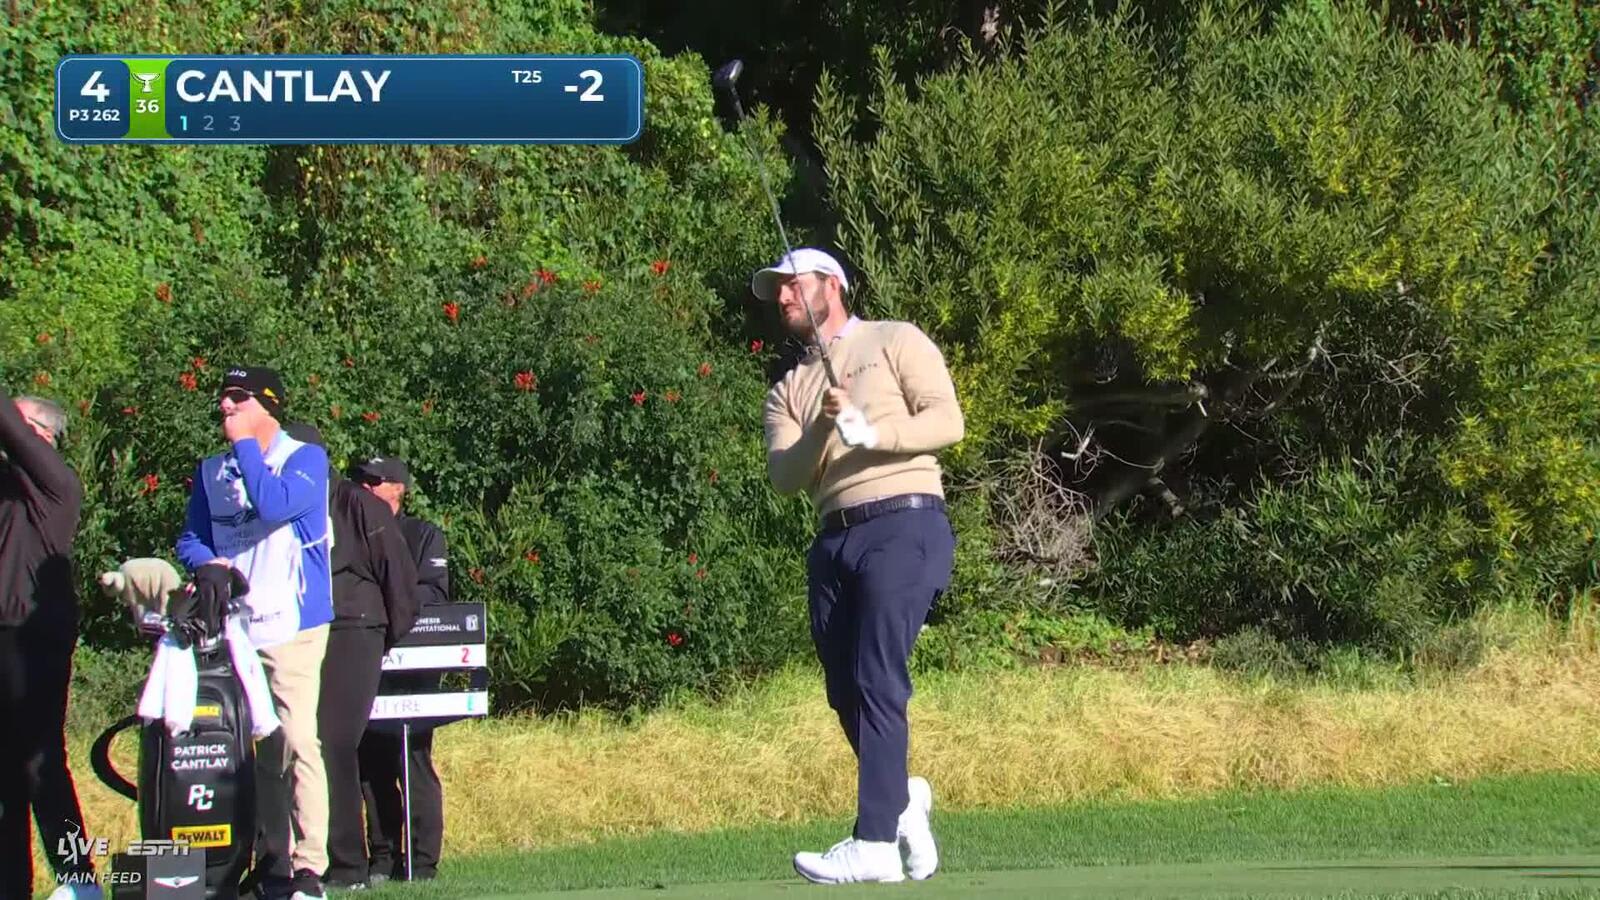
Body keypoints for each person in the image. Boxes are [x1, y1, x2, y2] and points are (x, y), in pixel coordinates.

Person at [753, 248, 963, 884]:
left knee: (877, 673)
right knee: (845, 688)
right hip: (834, 539)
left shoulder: (894, 339)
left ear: (833, 286)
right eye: (779, 291)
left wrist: (873, 432)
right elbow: (786, 477)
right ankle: (901, 802)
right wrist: (823, 429)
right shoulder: (787, 391)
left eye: (794, 285)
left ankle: (874, 841)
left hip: (906, 521)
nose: (785, 297)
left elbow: (947, 422)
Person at [175, 368, 334, 900]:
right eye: (221, 397)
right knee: (259, 749)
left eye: (238, 398)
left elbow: (273, 503)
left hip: (294, 623)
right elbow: (191, 538)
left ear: (269, 405)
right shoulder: (210, 470)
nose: (224, 405)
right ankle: (274, 864)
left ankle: (310, 866)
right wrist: (208, 564)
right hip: (237, 625)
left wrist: (245, 444)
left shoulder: (305, 458)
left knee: (296, 739)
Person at [281, 426, 419, 890]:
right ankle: (288, 859)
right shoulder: (286, 501)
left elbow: (397, 575)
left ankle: (345, 864)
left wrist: (381, 634)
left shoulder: (356, 503)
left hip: (354, 626)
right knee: (293, 744)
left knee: (332, 743)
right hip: (297, 628)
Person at [0, 384, 99, 900]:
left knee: (40, 760)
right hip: (2, 634)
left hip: (35, 636)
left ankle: (79, 879)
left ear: (39, 435)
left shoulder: (56, 484)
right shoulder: (8, 489)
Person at [353, 456, 450, 883]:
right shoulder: (349, 534)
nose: (367, 488)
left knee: (412, 759)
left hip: (413, 668)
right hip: (363, 662)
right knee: (369, 765)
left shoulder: (423, 534)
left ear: (398, 489)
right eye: (362, 481)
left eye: (376, 481)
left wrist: (385, 601)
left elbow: (432, 594)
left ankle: (422, 862)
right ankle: (384, 857)